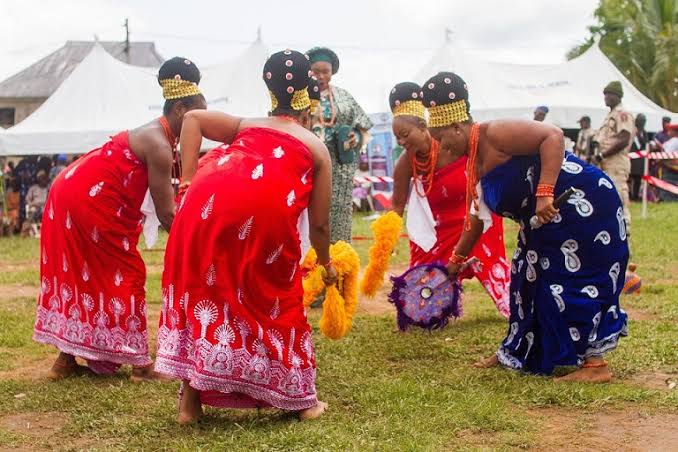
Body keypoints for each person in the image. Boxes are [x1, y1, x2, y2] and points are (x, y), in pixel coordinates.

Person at [155, 50, 336, 424]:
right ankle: (303, 403)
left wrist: (187, 181)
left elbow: (191, 119)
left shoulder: (245, 125)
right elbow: (319, 226)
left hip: (201, 211)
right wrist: (327, 263)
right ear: (309, 95)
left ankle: (190, 405)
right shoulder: (316, 147)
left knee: (206, 293)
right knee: (276, 297)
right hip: (260, 222)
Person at [421, 72, 628, 382]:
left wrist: (544, 192)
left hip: (584, 204)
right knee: (526, 280)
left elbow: (552, 136)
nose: (441, 147)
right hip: (545, 221)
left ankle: (595, 364)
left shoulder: (496, 133)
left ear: (456, 126)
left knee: (571, 280)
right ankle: (515, 350)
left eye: (441, 139)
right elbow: (476, 218)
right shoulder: (472, 163)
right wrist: (455, 263)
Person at [33, 57, 207, 381]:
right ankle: (141, 365)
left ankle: (65, 360)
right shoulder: (159, 143)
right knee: (126, 273)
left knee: (87, 275)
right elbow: (167, 211)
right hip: (86, 200)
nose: (201, 127)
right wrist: (197, 245)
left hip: (70, 193)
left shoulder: (160, 136)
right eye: (199, 117)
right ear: (181, 110)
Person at [389, 82, 510, 317]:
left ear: (423, 127)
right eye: (397, 139)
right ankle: (448, 297)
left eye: (405, 135)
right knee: (417, 310)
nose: (402, 142)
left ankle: (507, 293)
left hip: (474, 216)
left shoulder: (453, 142)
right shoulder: (405, 163)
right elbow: (396, 205)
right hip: (437, 229)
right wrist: (386, 240)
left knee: (510, 305)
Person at [307, 46, 373, 243]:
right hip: (310, 164)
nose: (320, 76)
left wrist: (356, 138)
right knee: (310, 209)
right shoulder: (301, 97)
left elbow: (364, 129)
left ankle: (340, 258)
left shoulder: (345, 97)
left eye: (325, 71)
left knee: (339, 211)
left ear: (332, 72)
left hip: (340, 168)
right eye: (315, 71)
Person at [594, 81, 634, 235]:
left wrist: (603, 154)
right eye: (605, 94)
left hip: (616, 163)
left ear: (618, 96)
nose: (606, 97)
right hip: (605, 163)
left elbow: (624, 138)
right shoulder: (609, 116)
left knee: (619, 200)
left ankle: (626, 242)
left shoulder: (622, 114)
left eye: (609, 94)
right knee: (607, 202)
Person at [629, 114, 648, 200]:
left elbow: (645, 144)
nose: (642, 123)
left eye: (643, 121)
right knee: (629, 179)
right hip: (630, 159)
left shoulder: (644, 133)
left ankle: (635, 196)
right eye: (641, 121)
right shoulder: (630, 130)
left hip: (640, 161)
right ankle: (629, 195)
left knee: (638, 179)